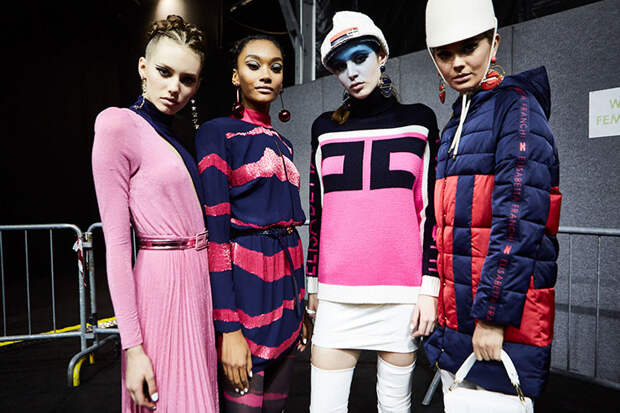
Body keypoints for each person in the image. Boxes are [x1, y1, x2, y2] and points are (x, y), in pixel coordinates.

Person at [422, 0, 562, 401]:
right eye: (444, 54)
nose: (457, 63)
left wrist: (492, 317)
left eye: (469, 48)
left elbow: (518, 219)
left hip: (496, 326)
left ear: (494, 43)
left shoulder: (516, 108)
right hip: (459, 325)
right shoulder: (460, 119)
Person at [306, 11, 440, 413]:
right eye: (339, 66)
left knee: (395, 408)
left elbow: (430, 213)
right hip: (336, 294)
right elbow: (318, 213)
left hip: (401, 295)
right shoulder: (324, 129)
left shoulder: (419, 121)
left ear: (382, 55)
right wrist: (312, 284)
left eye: (360, 57)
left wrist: (429, 288)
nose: (351, 72)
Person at [92, 15, 218, 412]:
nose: (174, 87)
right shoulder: (117, 124)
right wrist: (133, 349)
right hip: (161, 286)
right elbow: (116, 247)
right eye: (165, 72)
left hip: (198, 284)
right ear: (143, 68)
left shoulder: (180, 135)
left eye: (187, 79)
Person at [195, 34, 312, 412]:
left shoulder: (284, 143)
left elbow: (289, 230)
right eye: (253, 65)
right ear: (235, 76)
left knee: (277, 408)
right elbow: (216, 236)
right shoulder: (216, 132)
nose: (266, 74)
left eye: (275, 68)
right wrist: (229, 328)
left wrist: (300, 309)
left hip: (287, 294)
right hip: (247, 292)